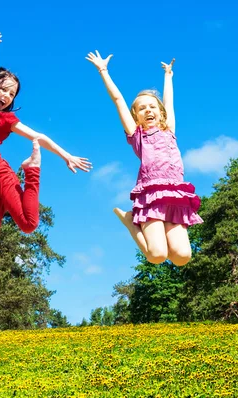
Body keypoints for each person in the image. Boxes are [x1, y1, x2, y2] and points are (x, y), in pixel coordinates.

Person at [0, 33, 92, 243]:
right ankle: (3, 202)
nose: (7, 96)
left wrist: (66, 156)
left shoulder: (6, 120)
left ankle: (32, 170)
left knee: (28, 224)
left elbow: (39, 136)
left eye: (12, 94)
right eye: (3, 90)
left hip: (0, 175)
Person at [86, 51, 202, 266]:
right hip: (151, 195)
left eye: (152, 107)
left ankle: (156, 235)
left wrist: (168, 76)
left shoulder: (169, 130)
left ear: (160, 112)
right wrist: (103, 71)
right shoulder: (138, 136)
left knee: (182, 257)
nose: (148, 110)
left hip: (176, 194)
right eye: (142, 108)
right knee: (157, 255)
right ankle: (131, 221)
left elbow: (169, 102)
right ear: (136, 116)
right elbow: (118, 100)